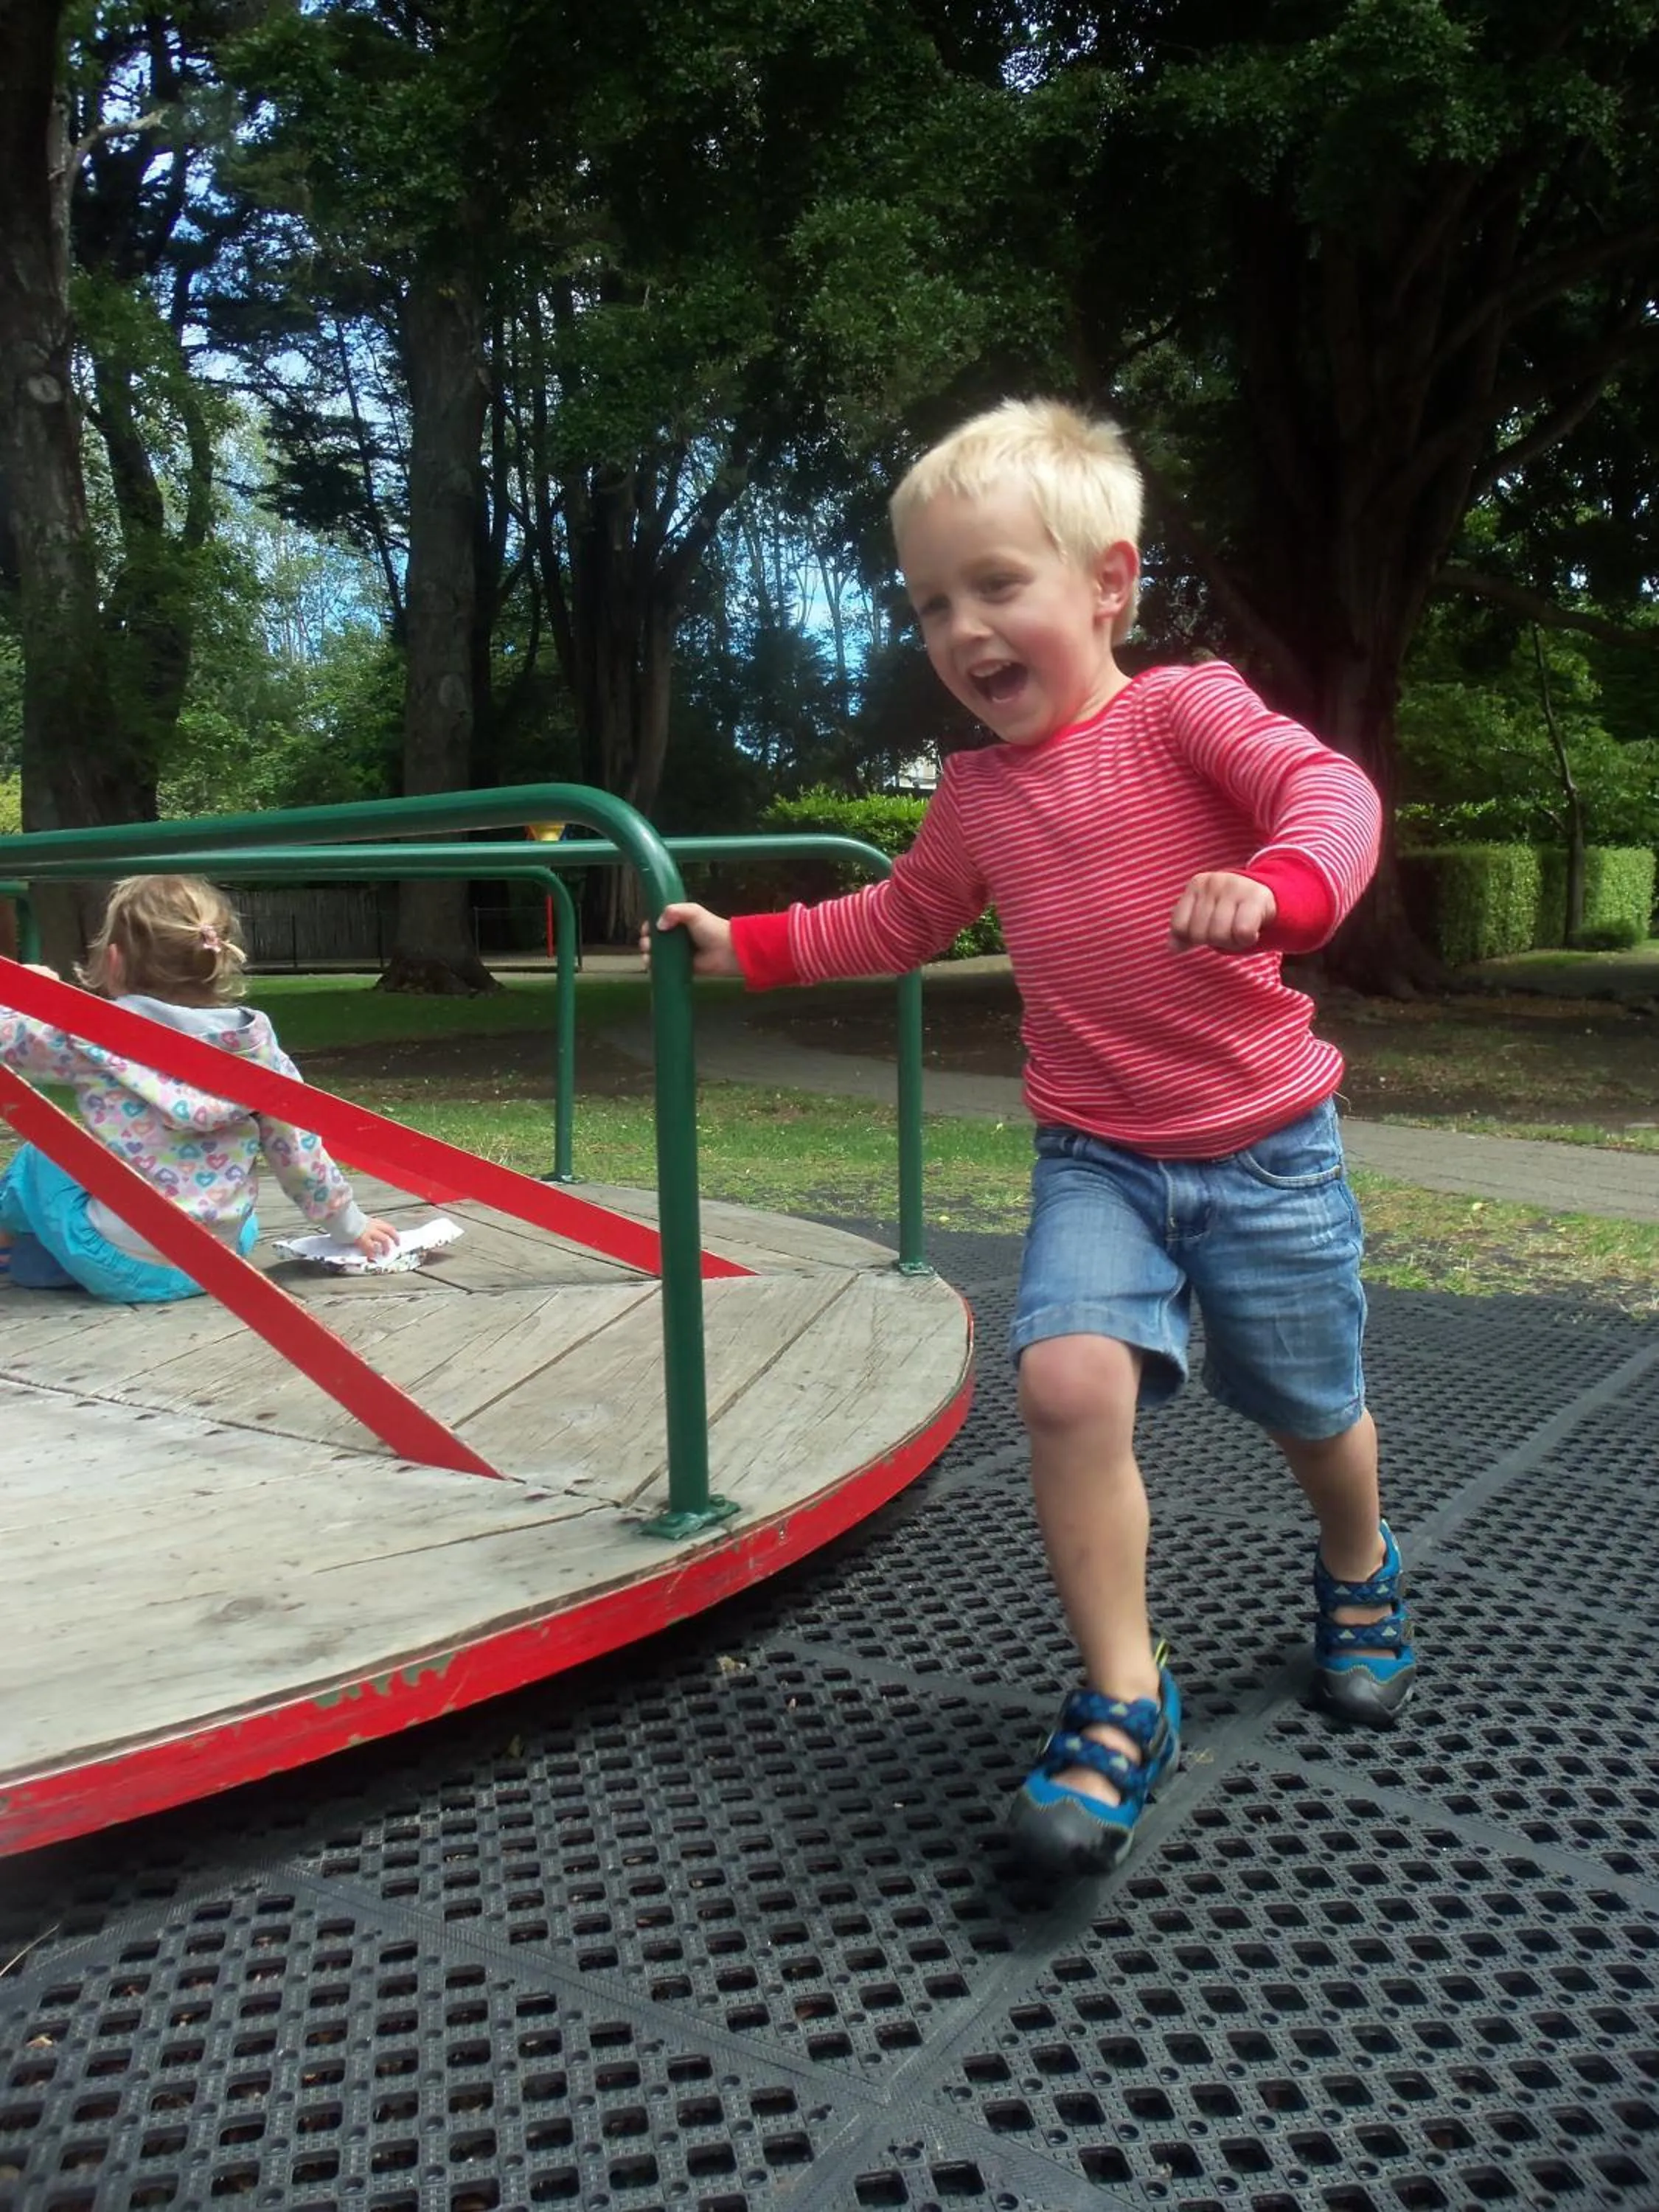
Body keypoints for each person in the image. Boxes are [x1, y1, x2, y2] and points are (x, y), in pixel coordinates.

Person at [644, 398, 1416, 1878]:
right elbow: (897, 919)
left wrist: (1284, 889)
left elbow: (1327, 791)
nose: (964, 628)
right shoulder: (979, 792)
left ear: (1109, 584)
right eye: (935, 603)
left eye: (1000, 585)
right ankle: (1128, 1696)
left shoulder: (1185, 712)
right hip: (1101, 1160)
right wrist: (746, 946)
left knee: (1310, 1405)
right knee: (1063, 1383)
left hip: (1264, 1148)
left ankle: (1357, 1564)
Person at [0, 874, 399, 1298]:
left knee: (41, 1155)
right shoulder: (258, 1050)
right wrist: (350, 1225)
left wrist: (23, 992)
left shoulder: (93, 1038)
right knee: (230, 1213)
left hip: (116, 1261)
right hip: (221, 1259)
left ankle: (7, 1240)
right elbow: (300, 1155)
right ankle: (44, 1260)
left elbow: (9, 1042)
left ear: (113, 961)